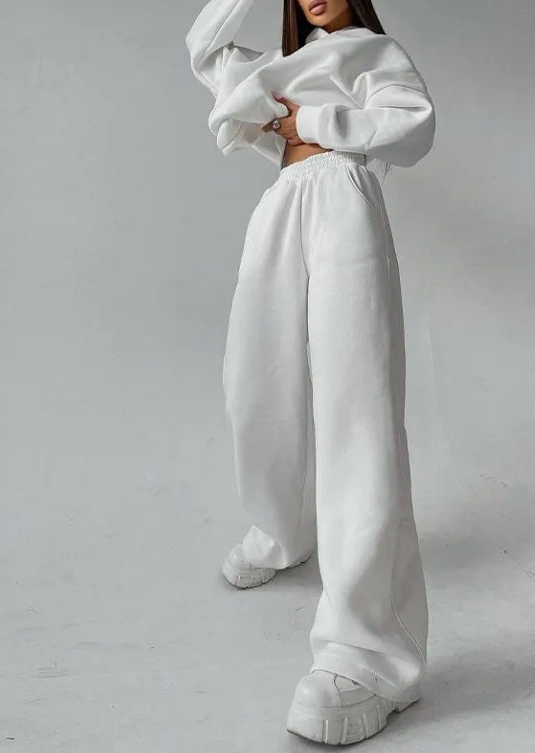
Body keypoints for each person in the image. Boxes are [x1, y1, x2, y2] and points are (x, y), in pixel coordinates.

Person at [185, 0, 436, 744]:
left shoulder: (371, 52)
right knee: (255, 381)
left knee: (356, 406)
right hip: (282, 203)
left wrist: (314, 122)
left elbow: (414, 126)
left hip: (343, 200)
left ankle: (371, 655)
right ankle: (282, 528)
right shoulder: (275, 66)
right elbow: (205, 47)